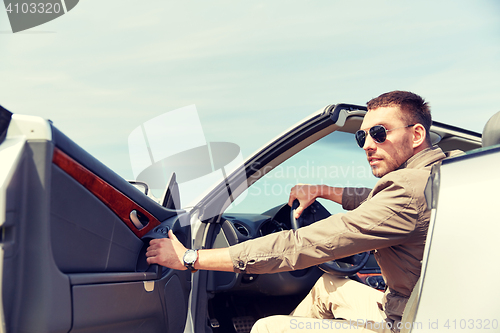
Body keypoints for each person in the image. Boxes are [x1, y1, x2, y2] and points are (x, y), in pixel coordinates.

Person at [146, 91, 451, 332]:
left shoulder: (407, 192)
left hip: (408, 324)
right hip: (427, 312)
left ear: (416, 135)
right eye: (362, 136)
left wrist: (191, 258)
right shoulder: (447, 172)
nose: (367, 146)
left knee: (267, 327)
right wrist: (324, 190)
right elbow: (377, 201)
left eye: (379, 133)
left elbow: (302, 245)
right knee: (329, 286)